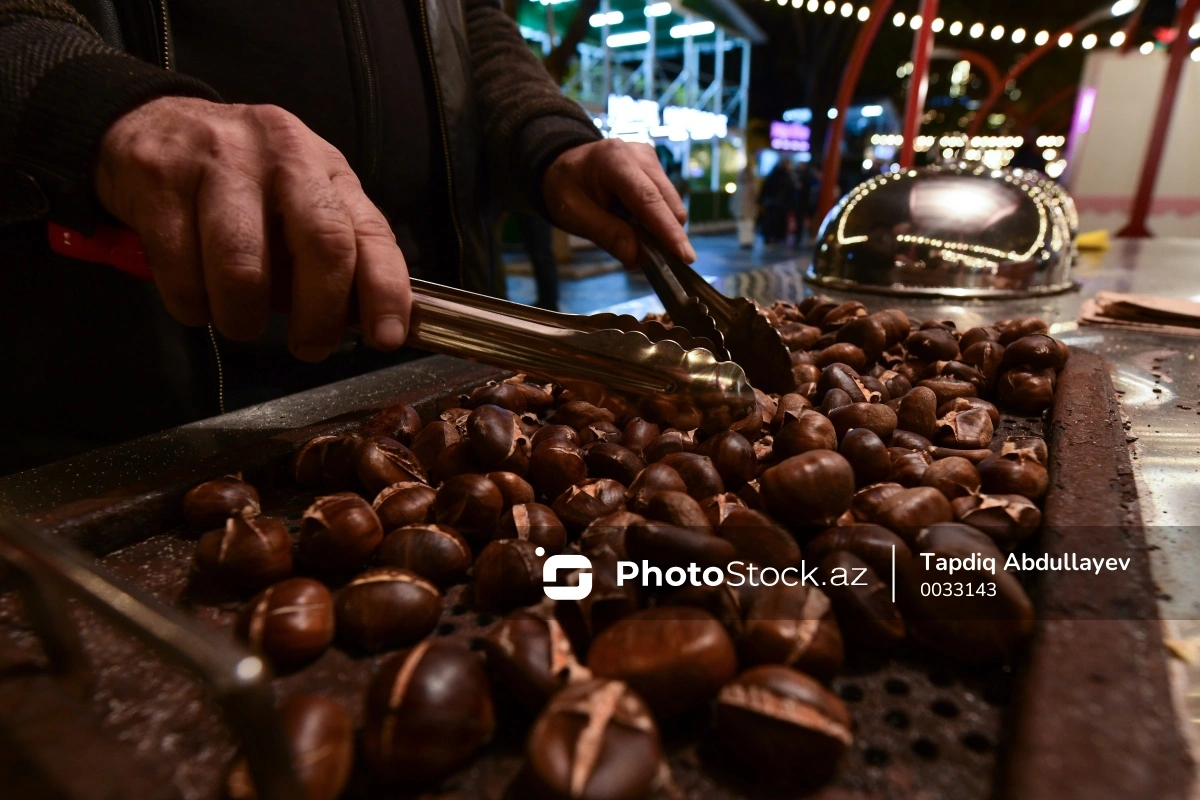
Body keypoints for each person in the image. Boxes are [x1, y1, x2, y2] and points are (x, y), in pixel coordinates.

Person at [0, 0, 696, 474]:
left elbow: (470, 18)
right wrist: (102, 108)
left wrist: (549, 138)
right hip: (139, 412)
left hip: (450, 388)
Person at [759, 158, 794, 246]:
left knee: (773, 223)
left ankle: (772, 238)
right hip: (776, 204)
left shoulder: (781, 175)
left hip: (777, 204)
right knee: (773, 222)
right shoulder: (782, 176)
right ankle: (771, 238)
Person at [732, 159, 759, 249]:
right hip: (740, 210)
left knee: (749, 226)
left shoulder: (751, 186)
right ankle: (744, 242)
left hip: (749, 210)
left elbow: (756, 197)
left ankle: (748, 241)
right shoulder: (739, 187)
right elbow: (734, 200)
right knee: (742, 226)